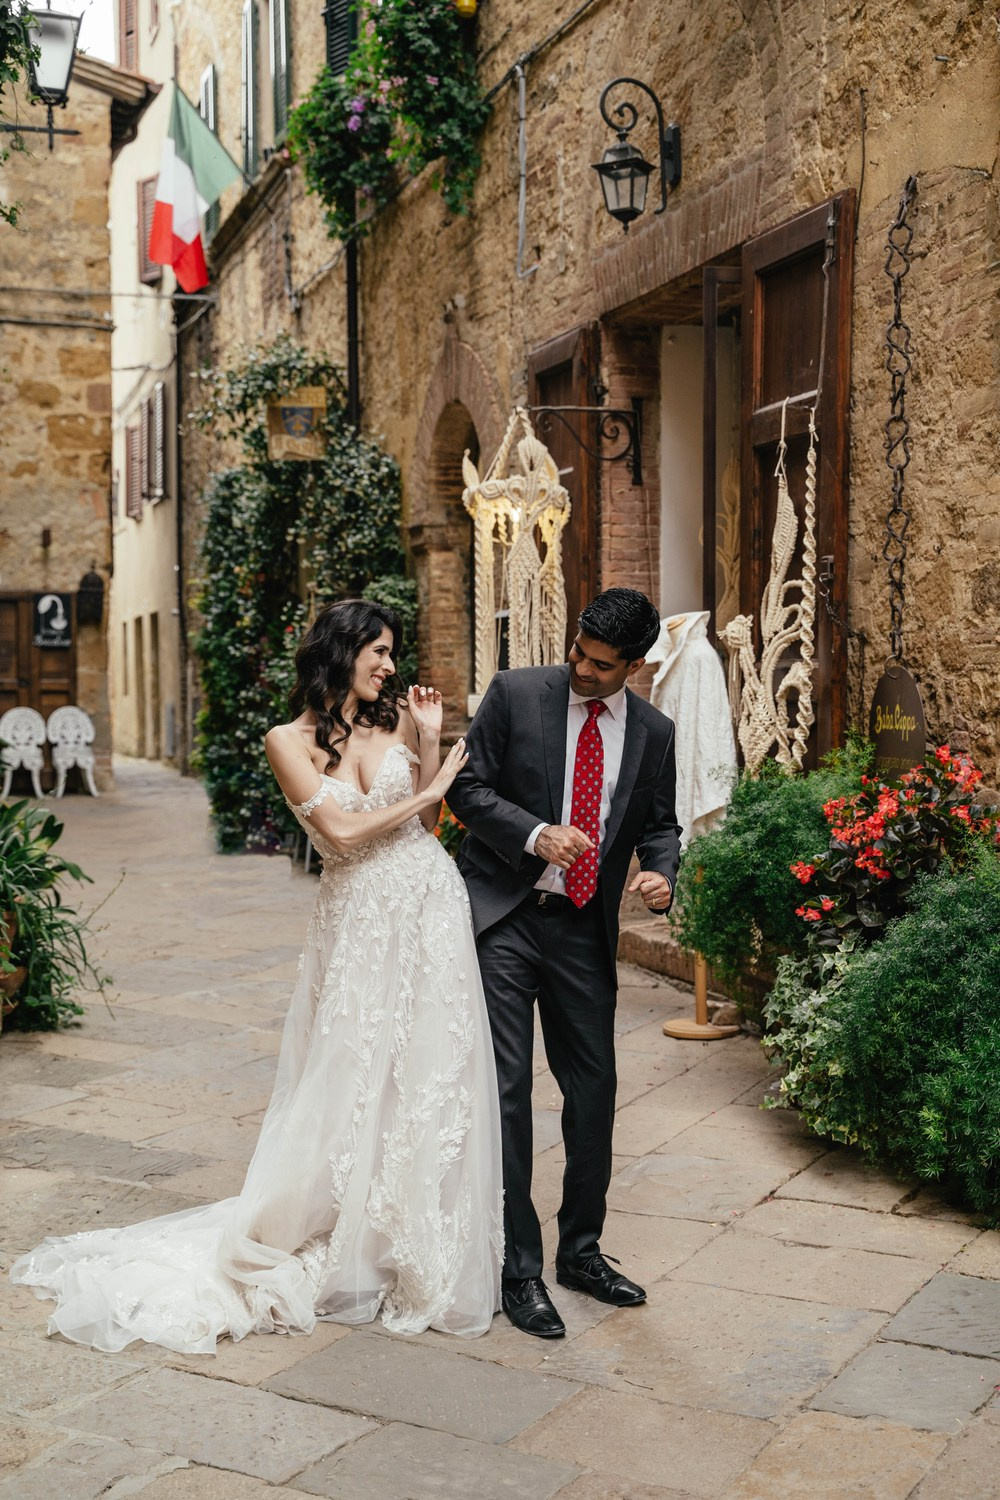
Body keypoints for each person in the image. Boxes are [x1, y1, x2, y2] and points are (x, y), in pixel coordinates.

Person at [10, 599, 503, 1352]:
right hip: (360, 915)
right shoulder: (285, 740)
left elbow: (423, 830)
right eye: (378, 652)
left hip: (429, 905)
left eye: (392, 654)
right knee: (348, 1066)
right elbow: (337, 836)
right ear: (342, 653)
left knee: (427, 1067)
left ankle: (408, 1228)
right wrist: (431, 791)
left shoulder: (400, 722)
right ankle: (330, 1220)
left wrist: (430, 748)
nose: (390, 666)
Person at [446, 587, 681, 1339]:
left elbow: (662, 826)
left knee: (593, 1091)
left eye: (601, 664)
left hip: (583, 931)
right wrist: (535, 833)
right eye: (579, 652)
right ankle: (521, 1269)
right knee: (508, 1092)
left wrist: (661, 875)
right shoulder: (517, 694)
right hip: (507, 917)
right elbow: (465, 787)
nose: (581, 668)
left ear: (634, 667)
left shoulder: (655, 732)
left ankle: (582, 1252)